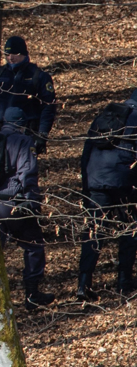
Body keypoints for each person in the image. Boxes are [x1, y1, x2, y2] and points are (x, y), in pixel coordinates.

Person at [0, 106, 54, 310]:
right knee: (34, 246)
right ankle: (32, 294)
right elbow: (27, 173)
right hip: (14, 205)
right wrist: (33, 203)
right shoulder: (23, 141)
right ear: (22, 124)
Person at [76, 89, 137, 299]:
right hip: (123, 181)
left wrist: (86, 187)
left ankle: (84, 284)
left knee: (94, 230)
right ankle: (124, 279)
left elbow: (86, 153)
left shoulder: (104, 116)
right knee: (129, 228)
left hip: (96, 180)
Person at [0, 35, 57, 152]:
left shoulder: (38, 76)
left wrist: (42, 134)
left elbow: (48, 107)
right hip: (0, 132)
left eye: (14, 54)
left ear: (23, 54)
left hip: (25, 133)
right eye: (7, 55)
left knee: (23, 167)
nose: (10, 58)